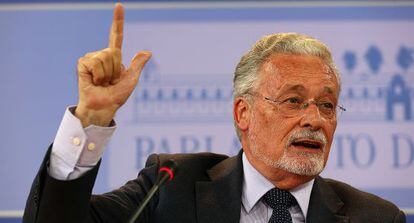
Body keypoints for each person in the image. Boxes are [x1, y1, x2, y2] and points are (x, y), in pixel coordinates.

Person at [23, 3, 406, 223]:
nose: (315, 119)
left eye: (326, 104)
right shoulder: (171, 186)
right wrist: (91, 120)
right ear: (244, 112)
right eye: (293, 101)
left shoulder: (376, 217)